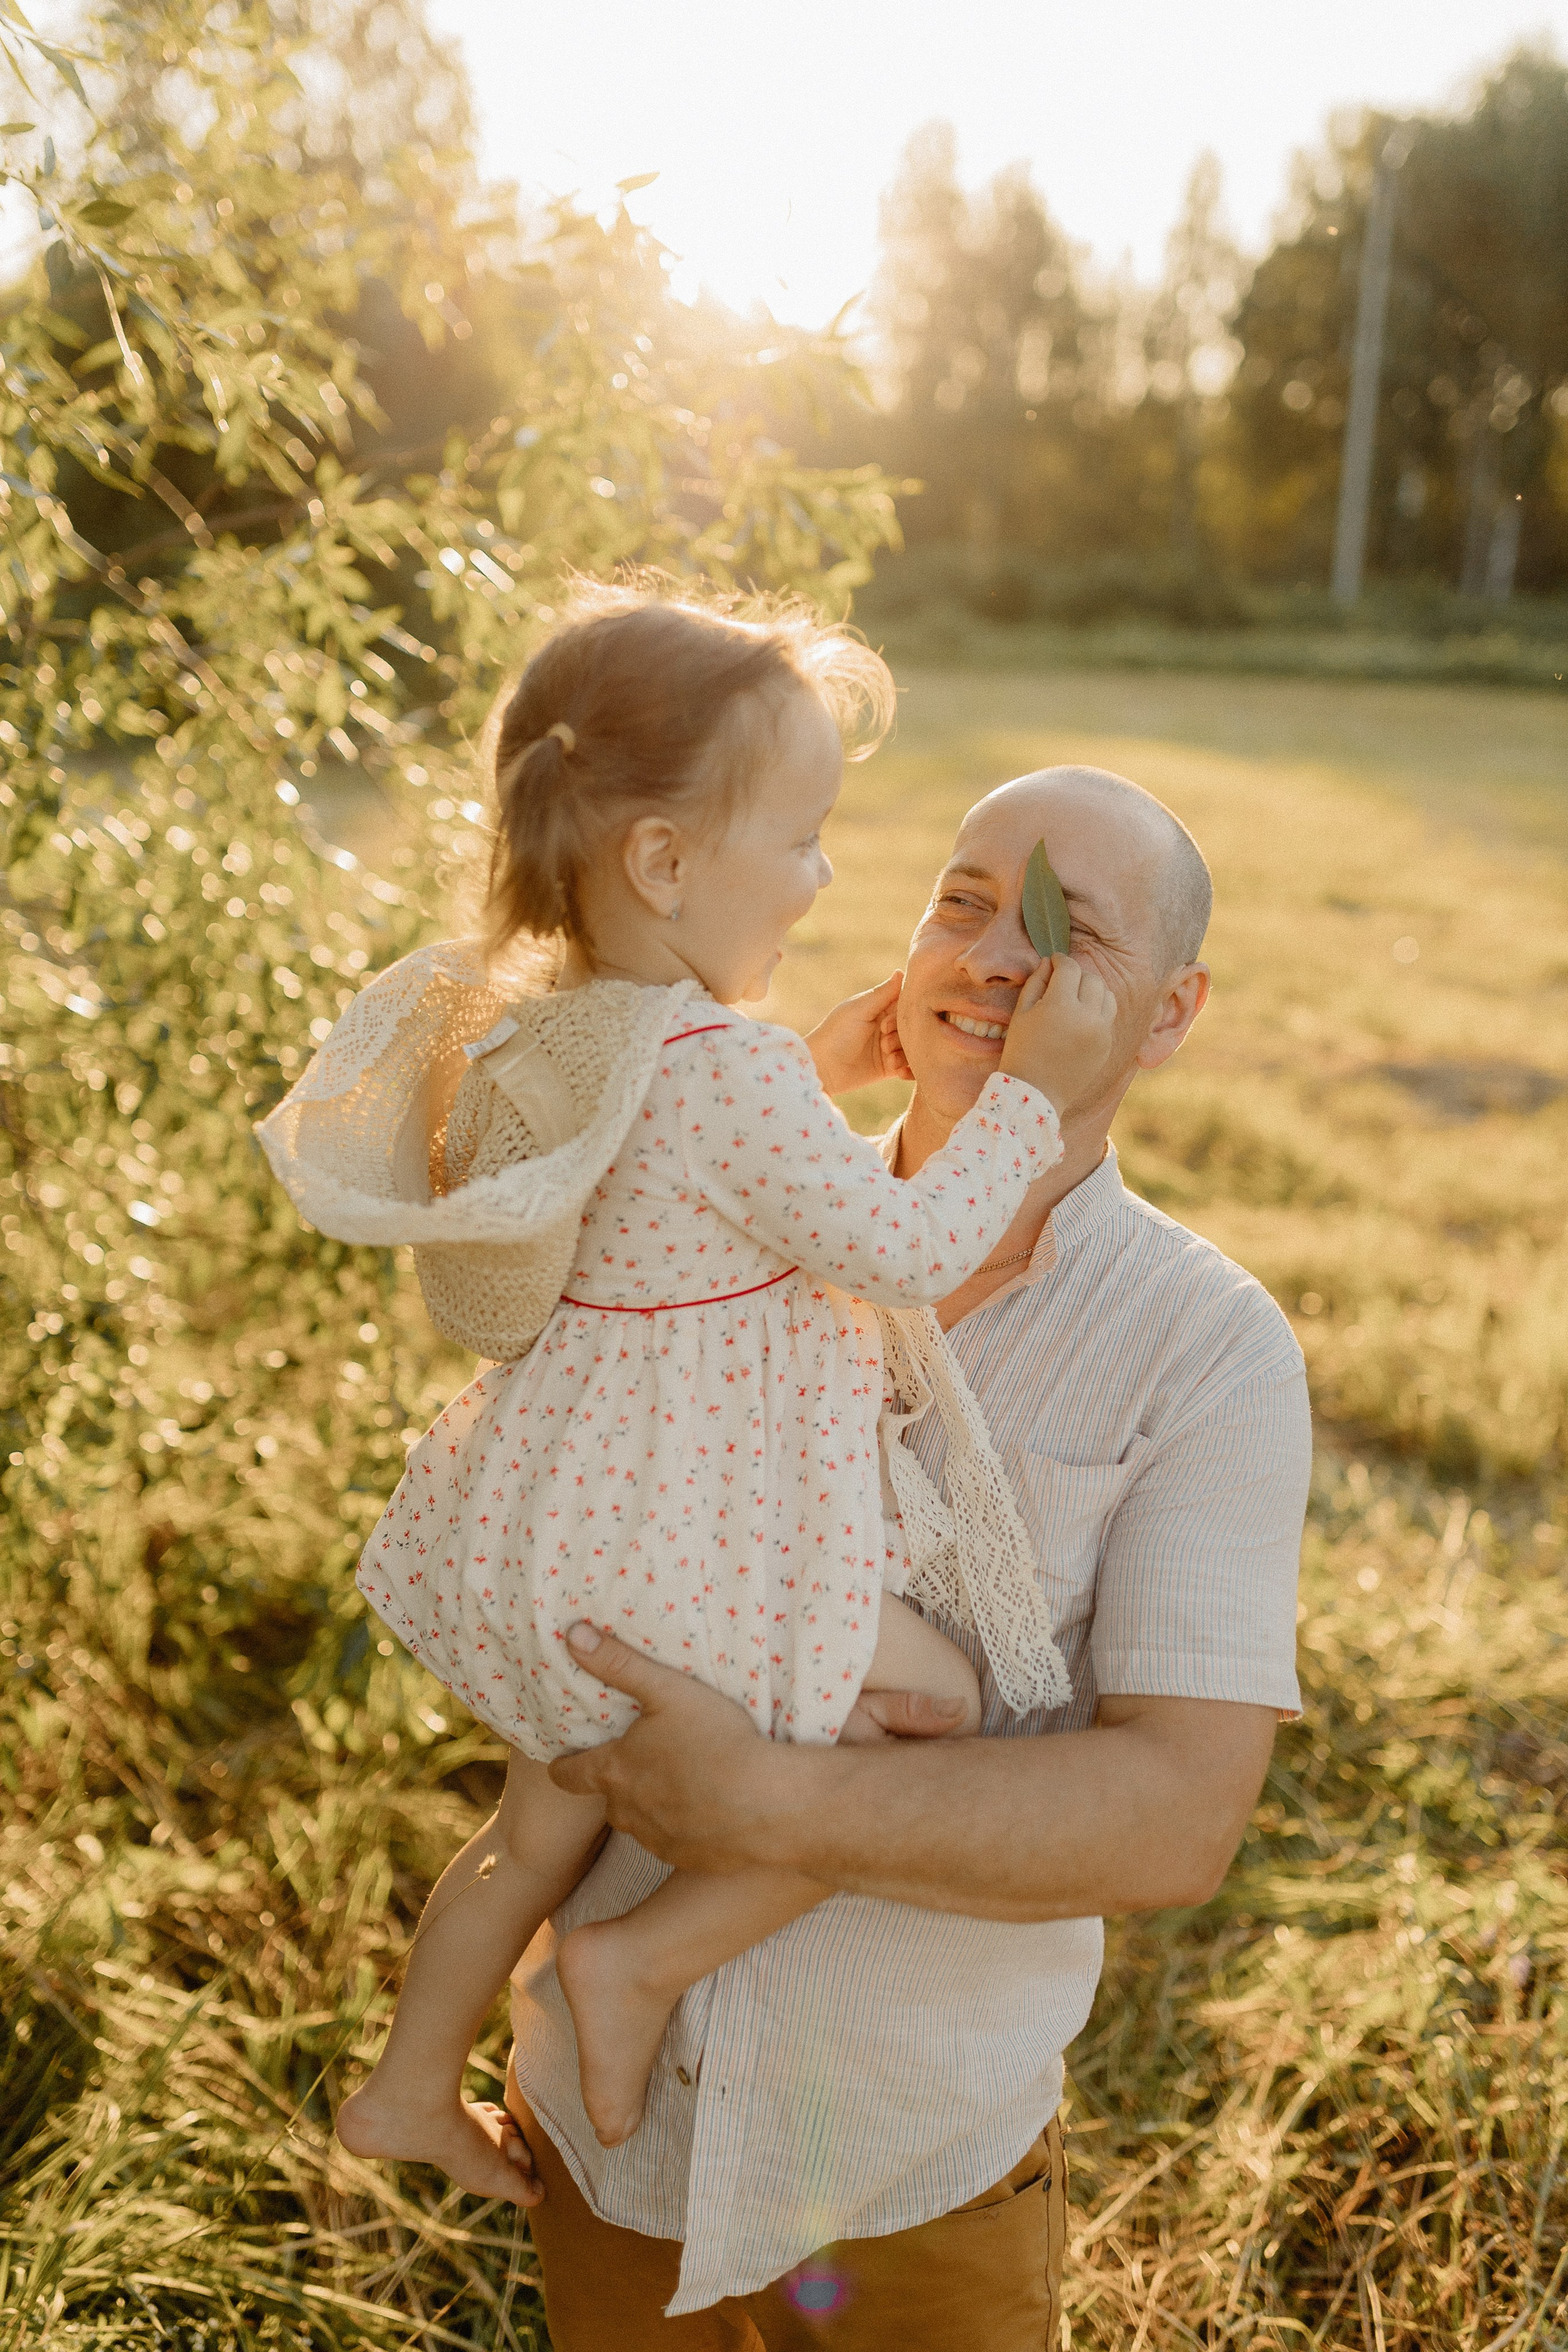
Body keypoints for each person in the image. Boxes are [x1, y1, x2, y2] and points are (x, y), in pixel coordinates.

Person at [258, 587, 1117, 2188]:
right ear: (666, 863)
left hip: (571, 1529)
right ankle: (633, 1960)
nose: (826, 873)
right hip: (691, 1539)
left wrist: (818, 1061)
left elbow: (680, 1168)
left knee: (532, 1830)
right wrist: (1030, 1106)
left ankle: (404, 2084)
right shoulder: (725, 1069)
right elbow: (907, 1247)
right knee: (933, 1706)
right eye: (800, 837)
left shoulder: (564, 1029)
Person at [492, 762, 1313, 2349]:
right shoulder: (721, 1241)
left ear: (1169, 1014)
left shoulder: (1206, 1349)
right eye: (965, 903)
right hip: (607, 2150)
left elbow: (1174, 1827)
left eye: (1073, 935)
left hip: (908, 2185)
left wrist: (767, 1803)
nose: (1000, 956)